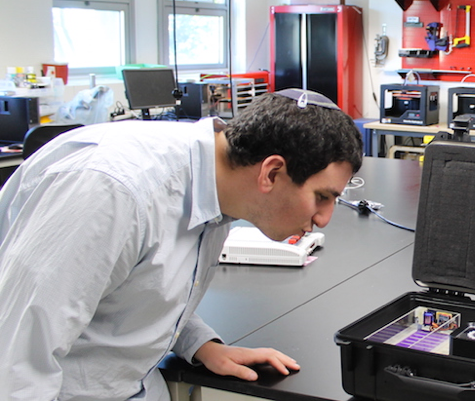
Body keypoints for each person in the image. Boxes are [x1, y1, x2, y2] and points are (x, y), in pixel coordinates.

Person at [0, 88, 363, 401]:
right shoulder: (113, 193)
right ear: (271, 172)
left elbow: (140, 280)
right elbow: (14, 361)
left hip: (135, 384)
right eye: (322, 197)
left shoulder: (220, 187)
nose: (324, 218)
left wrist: (199, 342)